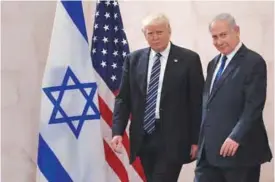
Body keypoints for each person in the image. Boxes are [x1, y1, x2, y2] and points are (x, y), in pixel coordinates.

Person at [110, 13, 204, 182]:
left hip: (174, 138)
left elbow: (197, 102)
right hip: (144, 136)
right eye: (150, 33)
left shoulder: (189, 59)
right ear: (144, 35)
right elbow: (123, 98)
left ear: (169, 31)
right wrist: (117, 131)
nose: (155, 37)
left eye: (159, 32)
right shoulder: (133, 59)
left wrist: (196, 139)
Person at [195, 13, 272, 182]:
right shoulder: (213, 63)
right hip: (208, 154)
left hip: (240, 153)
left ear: (236, 31)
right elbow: (208, 105)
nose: (219, 41)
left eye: (223, 35)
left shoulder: (253, 62)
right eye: (214, 37)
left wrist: (235, 137)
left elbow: (254, 106)